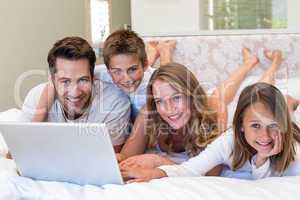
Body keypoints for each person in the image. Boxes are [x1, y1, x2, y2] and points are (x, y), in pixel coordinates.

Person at [118, 48, 281, 166]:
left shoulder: (213, 111)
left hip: (211, 106)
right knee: (219, 93)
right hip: (201, 102)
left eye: (176, 98)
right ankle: (249, 62)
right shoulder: (150, 113)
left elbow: (211, 171)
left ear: (191, 96)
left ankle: (275, 62)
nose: (168, 109)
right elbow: (125, 157)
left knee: (256, 95)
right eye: (160, 101)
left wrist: (159, 161)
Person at [121, 82, 300, 182]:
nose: (265, 136)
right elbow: (191, 169)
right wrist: (154, 172)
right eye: (255, 126)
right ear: (240, 125)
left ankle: (290, 104)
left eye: (273, 125)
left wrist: (262, 158)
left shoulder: (295, 151)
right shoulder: (228, 141)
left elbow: (266, 181)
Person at [21, 36, 131, 152]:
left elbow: (111, 161)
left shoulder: (114, 103)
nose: (75, 93)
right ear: (52, 80)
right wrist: (40, 114)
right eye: (65, 81)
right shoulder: (37, 96)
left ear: (93, 78)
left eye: (83, 80)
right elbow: (15, 155)